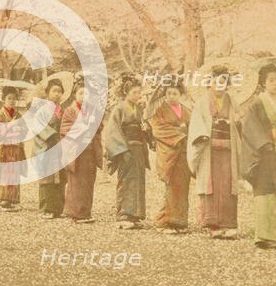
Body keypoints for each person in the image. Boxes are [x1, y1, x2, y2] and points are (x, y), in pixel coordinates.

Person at [241, 64, 276, 249]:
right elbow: (250, 127)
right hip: (263, 155)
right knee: (264, 193)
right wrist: (268, 139)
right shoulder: (257, 103)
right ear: (263, 83)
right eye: (271, 80)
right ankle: (263, 236)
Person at [188, 66, 241, 239]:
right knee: (212, 185)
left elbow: (239, 122)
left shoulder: (232, 101)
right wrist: (208, 130)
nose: (220, 86)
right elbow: (197, 123)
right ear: (210, 83)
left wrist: (235, 122)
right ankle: (213, 225)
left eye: (223, 82)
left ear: (227, 84)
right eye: (216, 82)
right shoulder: (203, 102)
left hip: (228, 150)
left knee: (227, 186)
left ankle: (228, 223)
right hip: (209, 150)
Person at [107, 76, 150, 229]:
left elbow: (144, 129)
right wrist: (121, 150)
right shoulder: (119, 108)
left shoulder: (138, 109)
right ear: (126, 92)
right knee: (126, 180)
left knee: (138, 180)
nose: (138, 95)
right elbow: (113, 131)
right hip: (126, 148)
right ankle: (123, 214)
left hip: (138, 149)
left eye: (139, 92)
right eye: (135, 92)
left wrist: (146, 130)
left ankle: (135, 214)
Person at [150, 84, 192, 233]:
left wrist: (186, 134)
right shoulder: (160, 110)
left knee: (183, 185)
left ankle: (180, 221)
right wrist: (179, 133)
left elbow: (192, 127)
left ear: (180, 95)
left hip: (184, 152)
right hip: (169, 150)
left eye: (175, 93)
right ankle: (166, 221)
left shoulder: (187, 110)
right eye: (169, 93)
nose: (171, 96)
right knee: (172, 185)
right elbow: (157, 128)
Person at [60, 83, 103, 224]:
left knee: (89, 182)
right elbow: (65, 128)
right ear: (74, 95)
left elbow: (98, 128)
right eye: (81, 93)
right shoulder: (69, 111)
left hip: (89, 151)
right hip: (77, 152)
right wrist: (83, 126)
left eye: (86, 94)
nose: (84, 97)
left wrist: (95, 123)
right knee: (77, 182)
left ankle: (86, 212)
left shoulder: (91, 111)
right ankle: (75, 213)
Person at [33, 79, 67, 219]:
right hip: (47, 146)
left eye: (59, 92)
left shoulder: (63, 110)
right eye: (54, 91)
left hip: (60, 147)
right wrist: (52, 135)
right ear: (47, 93)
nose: (57, 94)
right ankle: (46, 209)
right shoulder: (42, 110)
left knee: (60, 179)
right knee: (47, 179)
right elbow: (38, 126)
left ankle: (58, 208)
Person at [0, 87, 26, 212]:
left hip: (15, 148)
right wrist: (9, 126)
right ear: (4, 100)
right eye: (9, 98)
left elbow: (25, 129)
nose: (11, 101)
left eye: (14, 99)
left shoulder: (18, 115)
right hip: (4, 149)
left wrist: (20, 130)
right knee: (6, 173)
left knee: (14, 173)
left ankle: (13, 199)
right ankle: (4, 199)